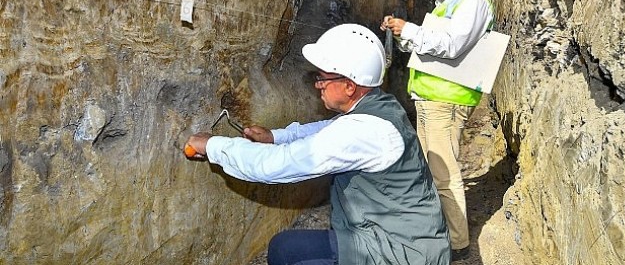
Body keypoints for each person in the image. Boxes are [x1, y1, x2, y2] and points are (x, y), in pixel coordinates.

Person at [185, 23, 450, 264]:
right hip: (393, 238)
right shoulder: (378, 106)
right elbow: (328, 129)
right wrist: (275, 136)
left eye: (324, 78)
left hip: (403, 253)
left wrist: (212, 145)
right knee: (284, 249)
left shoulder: (364, 132)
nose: (318, 85)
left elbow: (275, 165)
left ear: (349, 86)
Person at [381, 0, 495, 261]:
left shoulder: (472, 0)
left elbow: (452, 45)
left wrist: (411, 30)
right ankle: (444, 231)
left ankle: (458, 243)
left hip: (447, 101)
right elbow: (431, 46)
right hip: (432, 100)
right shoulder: (448, 5)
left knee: (444, 174)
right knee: (434, 171)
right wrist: (402, 35)